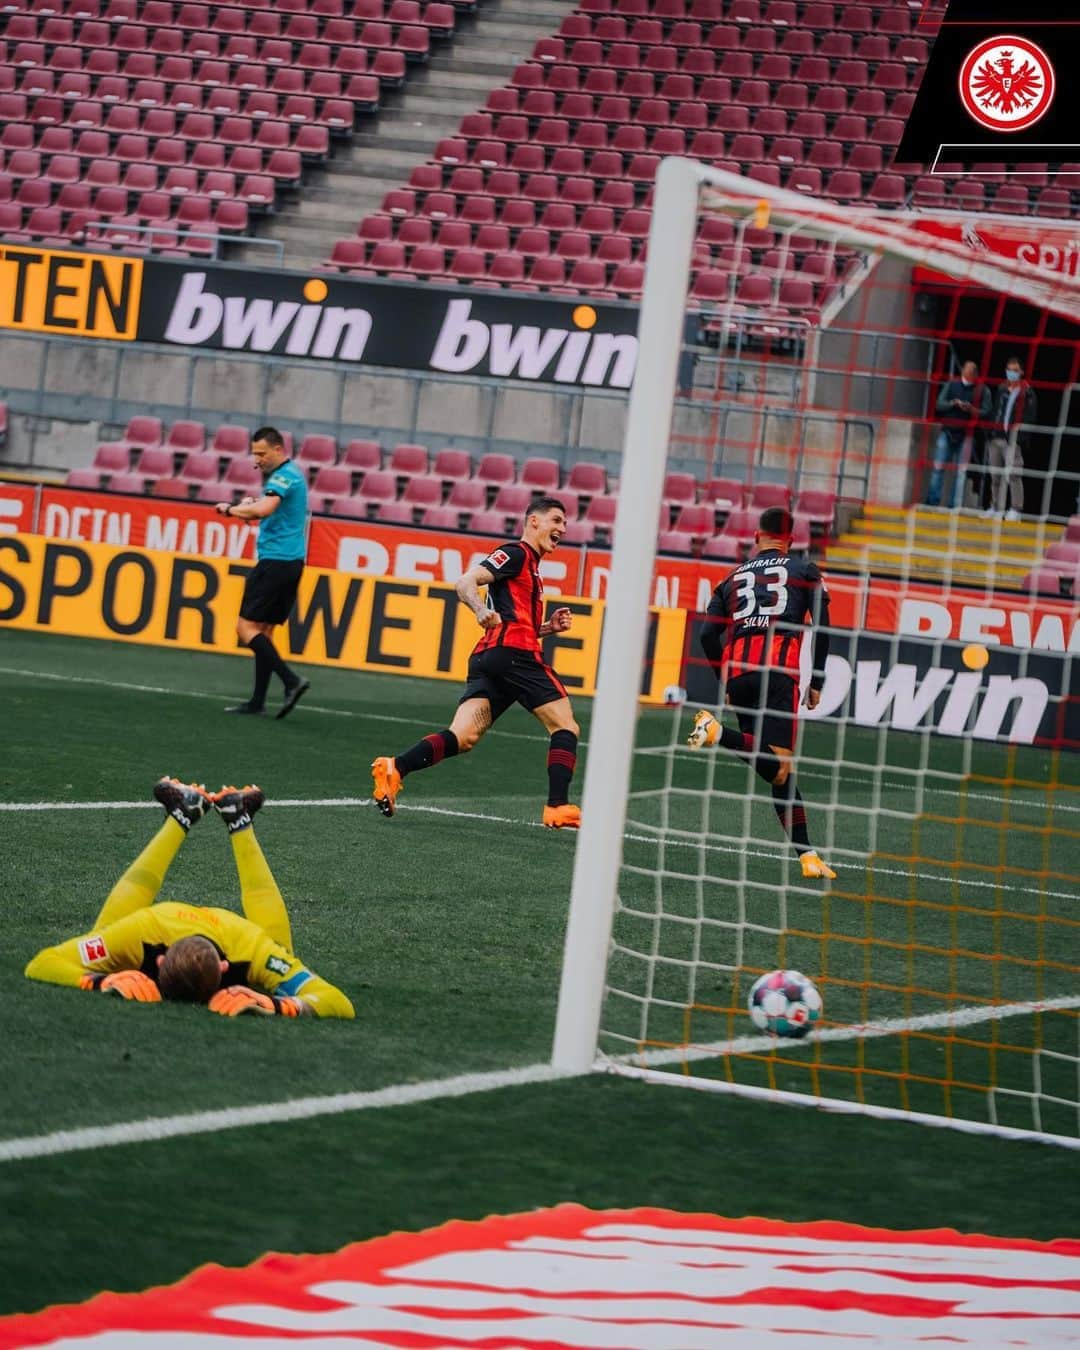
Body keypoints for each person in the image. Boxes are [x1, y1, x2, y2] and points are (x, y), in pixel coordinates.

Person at [25, 778, 354, 1019]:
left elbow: (43, 964)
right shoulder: (142, 930)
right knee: (277, 971)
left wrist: (97, 981)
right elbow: (41, 963)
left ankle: (186, 814)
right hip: (180, 926)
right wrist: (101, 981)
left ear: (158, 962)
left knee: (277, 961)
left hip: (218, 931)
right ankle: (236, 818)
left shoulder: (254, 948)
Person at [370, 496, 582, 829]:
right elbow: (465, 582)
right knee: (565, 726)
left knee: (463, 736)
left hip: (492, 658)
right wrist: (479, 610)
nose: (562, 528)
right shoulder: (516, 553)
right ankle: (557, 806)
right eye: (556, 520)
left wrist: (548, 629)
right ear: (534, 522)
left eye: (565, 523)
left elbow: (516, 623)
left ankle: (395, 768)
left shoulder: (532, 570)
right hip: (515, 656)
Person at [687, 506, 836, 879]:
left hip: (739, 674)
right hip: (779, 670)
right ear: (791, 539)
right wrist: (817, 680)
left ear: (756, 537)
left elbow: (706, 634)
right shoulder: (804, 570)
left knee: (778, 771)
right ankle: (718, 733)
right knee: (780, 764)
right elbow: (824, 627)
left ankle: (808, 856)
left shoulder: (732, 577)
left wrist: (726, 679)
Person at [215, 426, 311, 718]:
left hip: (275, 562)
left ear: (278, 450)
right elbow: (265, 507)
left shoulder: (284, 475)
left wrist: (232, 510)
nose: (257, 458)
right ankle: (257, 702)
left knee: (245, 628)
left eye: (261, 453)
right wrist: (250, 504)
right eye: (254, 453)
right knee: (264, 632)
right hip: (291, 562)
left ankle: (291, 681)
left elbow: (265, 509)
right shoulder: (287, 476)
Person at [925, 360, 990, 510]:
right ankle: (932, 500)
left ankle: (955, 505)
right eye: (966, 373)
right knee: (938, 466)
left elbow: (987, 412)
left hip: (967, 435)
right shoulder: (951, 384)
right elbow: (938, 404)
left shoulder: (982, 390)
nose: (968, 377)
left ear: (975, 375)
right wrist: (952, 403)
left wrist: (972, 409)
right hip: (947, 431)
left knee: (960, 472)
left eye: (971, 374)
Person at [985, 356, 1038, 521]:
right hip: (996, 437)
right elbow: (995, 411)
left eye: (1015, 370)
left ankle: (1016, 509)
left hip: (1013, 440)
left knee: (1013, 475)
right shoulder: (1001, 388)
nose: (1011, 373)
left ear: (1021, 372)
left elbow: (1030, 417)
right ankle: (996, 507)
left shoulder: (1027, 392)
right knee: (995, 476)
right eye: (1009, 370)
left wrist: (1019, 437)